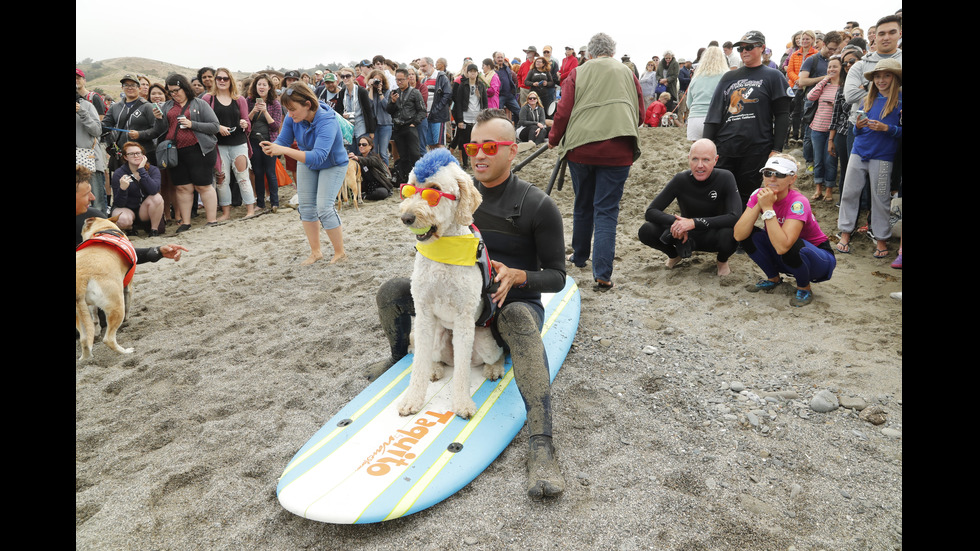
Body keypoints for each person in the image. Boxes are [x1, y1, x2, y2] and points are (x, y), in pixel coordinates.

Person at [364, 109, 567, 499]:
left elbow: (559, 276)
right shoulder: (450, 189)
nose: (479, 155)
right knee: (392, 291)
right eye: (473, 146)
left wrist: (519, 275)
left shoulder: (537, 205)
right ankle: (398, 357)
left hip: (509, 302)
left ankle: (542, 444)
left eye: (490, 147)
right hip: (455, 295)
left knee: (521, 322)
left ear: (512, 151)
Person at [549, 32, 644, 290]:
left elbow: (563, 110)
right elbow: (640, 113)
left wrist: (554, 138)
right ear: (612, 52)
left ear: (589, 53)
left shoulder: (579, 72)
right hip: (619, 150)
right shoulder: (627, 72)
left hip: (581, 148)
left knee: (583, 203)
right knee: (606, 210)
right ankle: (602, 274)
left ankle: (579, 256)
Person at [262, 83, 348, 265]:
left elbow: (318, 156)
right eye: (287, 110)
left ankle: (339, 253)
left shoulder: (327, 119)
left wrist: (283, 150)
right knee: (307, 208)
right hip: (307, 161)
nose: (290, 114)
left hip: (332, 164)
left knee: (324, 207)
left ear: (308, 104)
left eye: (293, 110)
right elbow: (283, 140)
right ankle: (316, 252)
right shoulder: (292, 117)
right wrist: (272, 146)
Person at [734, 155, 836, 307]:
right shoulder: (759, 194)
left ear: (792, 179)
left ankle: (804, 288)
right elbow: (738, 235)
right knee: (750, 234)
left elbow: (783, 246)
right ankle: (773, 278)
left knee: (790, 243)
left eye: (780, 174)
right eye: (768, 173)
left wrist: (767, 208)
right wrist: (759, 204)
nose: (772, 178)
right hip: (785, 253)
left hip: (818, 259)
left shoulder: (798, 202)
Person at [703, 30, 791, 207]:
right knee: (716, 193)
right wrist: (705, 146)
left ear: (762, 48)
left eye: (749, 47)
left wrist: (776, 148)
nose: (744, 51)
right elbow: (714, 113)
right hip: (726, 145)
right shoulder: (729, 77)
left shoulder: (773, 76)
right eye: (740, 49)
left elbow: (783, 114)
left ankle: (739, 233)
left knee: (746, 196)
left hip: (757, 147)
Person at [638, 139, 741, 276]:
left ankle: (722, 261)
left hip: (713, 234)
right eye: (695, 159)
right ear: (688, 159)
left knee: (733, 234)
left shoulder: (725, 177)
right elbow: (651, 212)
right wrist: (677, 224)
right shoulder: (681, 179)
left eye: (706, 160)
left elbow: (735, 216)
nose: (700, 165)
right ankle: (674, 255)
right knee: (646, 230)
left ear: (715, 160)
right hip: (684, 237)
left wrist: (693, 222)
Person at [835, 58, 902, 259]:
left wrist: (887, 128)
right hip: (858, 151)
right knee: (849, 192)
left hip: (883, 156)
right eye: (878, 76)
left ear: (895, 78)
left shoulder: (899, 104)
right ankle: (845, 233)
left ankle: (881, 238)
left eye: (886, 76)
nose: (881, 80)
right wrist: (858, 127)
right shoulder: (867, 100)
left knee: (880, 198)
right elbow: (857, 129)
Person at [152, 73, 221, 232]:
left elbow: (215, 126)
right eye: (171, 91)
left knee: (203, 185)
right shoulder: (167, 106)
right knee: (182, 188)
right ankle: (185, 222)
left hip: (199, 149)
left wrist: (192, 124)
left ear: (184, 88)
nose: (174, 94)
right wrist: (158, 118)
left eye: (176, 90)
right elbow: (160, 131)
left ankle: (212, 221)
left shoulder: (199, 104)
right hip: (176, 151)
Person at [203, 67, 256, 220]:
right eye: (218, 78)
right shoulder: (208, 99)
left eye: (225, 78)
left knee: (243, 176)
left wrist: (245, 124)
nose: (221, 81)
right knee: (222, 178)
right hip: (218, 145)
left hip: (238, 142)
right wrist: (217, 127)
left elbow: (247, 120)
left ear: (230, 80)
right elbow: (204, 122)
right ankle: (226, 212)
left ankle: (250, 210)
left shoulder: (239, 99)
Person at [806, 55, 843, 202]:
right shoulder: (825, 85)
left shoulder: (844, 87)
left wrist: (836, 106)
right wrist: (824, 80)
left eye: (835, 66)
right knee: (818, 160)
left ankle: (829, 190)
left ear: (842, 69)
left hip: (833, 129)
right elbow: (810, 96)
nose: (832, 69)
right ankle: (818, 189)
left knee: (831, 160)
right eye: (830, 67)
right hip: (817, 127)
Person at [110, 141, 164, 235]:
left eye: (138, 153)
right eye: (131, 154)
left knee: (157, 197)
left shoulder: (153, 170)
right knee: (123, 220)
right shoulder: (119, 173)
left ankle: (153, 230)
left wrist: (142, 170)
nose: (136, 156)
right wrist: (123, 189)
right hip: (127, 209)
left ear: (143, 155)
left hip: (145, 210)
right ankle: (130, 228)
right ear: (125, 157)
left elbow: (154, 190)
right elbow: (119, 203)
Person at [247, 74, 283, 212]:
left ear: (269, 87)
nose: (261, 87)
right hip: (253, 141)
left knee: (270, 172)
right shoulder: (249, 101)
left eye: (264, 85)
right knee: (258, 172)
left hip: (269, 142)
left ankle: (275, 202)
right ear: (255, 87)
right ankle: (260, 203)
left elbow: (275, 126)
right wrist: (253, 111)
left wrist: (265, 112)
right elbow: (245, 122)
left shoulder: (275, 104)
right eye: (259, 84)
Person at [386, 68, 426, 183]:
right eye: (397, 80)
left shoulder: (415, 92)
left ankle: (420, 179)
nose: (399, 82)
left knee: (415, 154)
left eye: (401, 79)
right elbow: (389, 110)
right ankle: (407, 179)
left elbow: (422, 111)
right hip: (398, 128)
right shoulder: (394, 92)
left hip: (410, 126)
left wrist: (415, 123)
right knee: (403, 156)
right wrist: (393, 102)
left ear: (408, 79)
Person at [685, 46, 728, 141]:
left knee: (698, 153)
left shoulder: (696, 78)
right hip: (715, 118)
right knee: (716, 152)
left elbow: (689, 103)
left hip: (694, 118)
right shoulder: (726, 75)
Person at [449, 63, 488, 168]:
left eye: (474, 71)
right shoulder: (463, 85)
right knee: (465, 141)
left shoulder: (481, 85)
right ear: (467, 73)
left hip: (478, 117)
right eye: (471, 71)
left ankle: (476, 161)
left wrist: (485, 117)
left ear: (477, 73)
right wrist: (460, 120)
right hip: (466, 117)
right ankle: (465, 163)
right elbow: (459, 103)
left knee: (477, 141)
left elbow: (484, 102)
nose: (472, 73)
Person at [76, 92, 108, 215]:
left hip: (89, 159)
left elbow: (97, 131)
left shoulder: (86, 105)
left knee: (97, 202)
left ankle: (101, 231)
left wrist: (82, 112)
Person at [416, 57, 452, 151]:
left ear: (431, 65)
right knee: (431, 144)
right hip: (427, 116)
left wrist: (437, 109)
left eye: (424, 66)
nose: (422, 68)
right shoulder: (424, 80)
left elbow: (447, 95)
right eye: (420, 66)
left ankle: (444, 164)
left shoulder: (441, 77)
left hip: (438, 116)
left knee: (439, 143)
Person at [336, 67, 377, 146]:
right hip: (348, 129)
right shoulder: (342, 93)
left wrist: (371, 131)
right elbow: (338, 110)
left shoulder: (361, 91)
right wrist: (343, 115)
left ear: (353, 77)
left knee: (362, 153)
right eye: (343, 77)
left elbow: (368, 111)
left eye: (348, 76)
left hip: (361, 127)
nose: (345, 78)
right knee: (351, 155)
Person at [347, 135, 392, 200]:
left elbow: (369, 161)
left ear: (370, 146)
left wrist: (357, 158)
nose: (361, 146)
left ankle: (364, 196)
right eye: (359, 144)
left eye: (364, 144)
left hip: (379, 185)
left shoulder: (375, 157)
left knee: (382, 193)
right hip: (365, 186)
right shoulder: (358, 158)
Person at [366, 69, 393, 167]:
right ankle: (376, 173)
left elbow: (387, 107)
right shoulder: (369, 92)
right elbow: (369, 105)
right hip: (374, 126)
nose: (377, 82)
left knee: (383, 153)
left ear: (383, 81)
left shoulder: (387, 92)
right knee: (374, 152)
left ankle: (386, 174)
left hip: (385, 125)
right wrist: (371, 89)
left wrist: (380, 92)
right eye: (375, 80)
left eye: (379, 80)